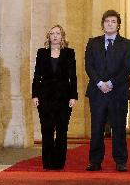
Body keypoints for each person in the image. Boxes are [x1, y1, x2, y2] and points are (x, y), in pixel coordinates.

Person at [85, 10, 130, 172]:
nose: (110, 24)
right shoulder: (93, 42)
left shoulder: (127, 44)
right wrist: (99, 82)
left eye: (113, 21)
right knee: (96, 128)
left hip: (118, 92)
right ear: (103, 24)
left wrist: (111, 83)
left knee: (118, 128)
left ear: (118, 25)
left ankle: (121, 161)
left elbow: (127, 67)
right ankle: (94, 161)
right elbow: (89, 66)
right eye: (107, 21)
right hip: (97, 92)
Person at [32, 24, 78, 170]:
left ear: (62, 36)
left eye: (58, 33)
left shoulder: (69, 53)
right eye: (52, 33)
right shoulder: (41, 53)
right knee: (47, 130)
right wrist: (35, 95)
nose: (55, 36)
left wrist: (73, 96)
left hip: (64, 99)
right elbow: (36, 76)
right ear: (49, 36)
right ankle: (47, 163)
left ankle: (58, 163)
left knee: (62, 131)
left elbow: (73, 76)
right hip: (45, 98)